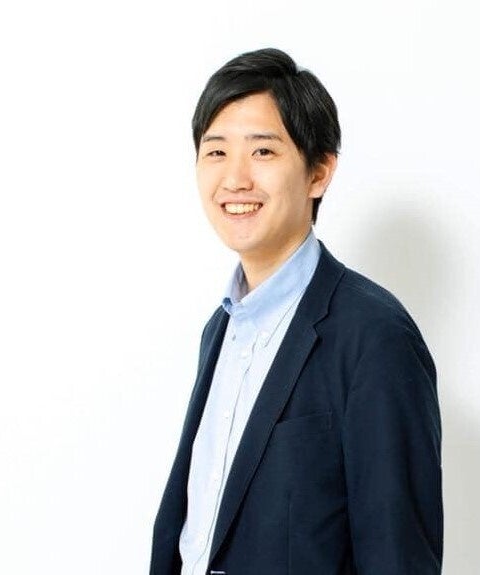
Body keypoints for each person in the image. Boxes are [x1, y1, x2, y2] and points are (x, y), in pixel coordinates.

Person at [150, 47, 443, 575]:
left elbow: (397, 557)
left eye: (262, 151)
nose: (234, 178)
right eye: (215, 152)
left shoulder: (375, 336)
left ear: (319, 172)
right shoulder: (220, 329)